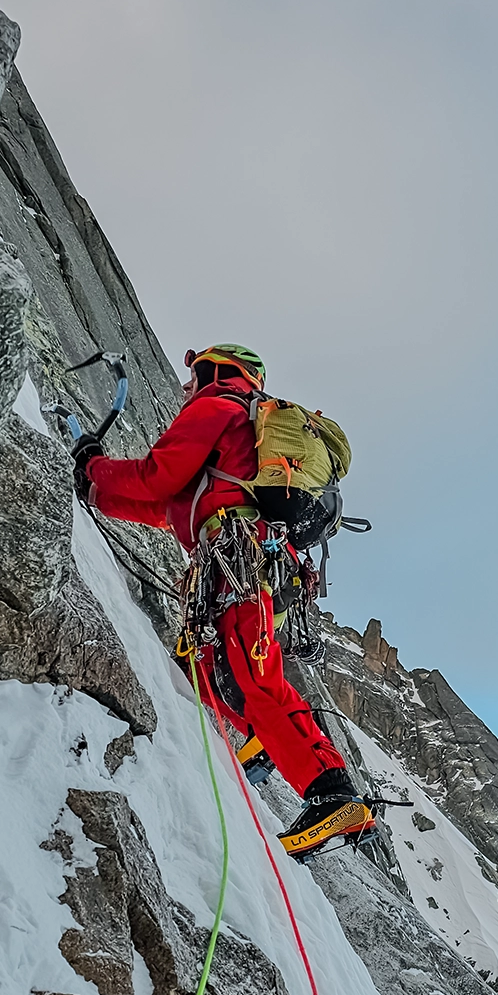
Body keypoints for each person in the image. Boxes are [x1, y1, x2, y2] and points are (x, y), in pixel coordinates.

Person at [74, 344, 373, 859]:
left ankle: (333, 794)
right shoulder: (231, 442)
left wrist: (94, 467)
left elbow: (157, 475)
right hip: (228, 562)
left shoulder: (218, 407)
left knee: (253, 680)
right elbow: (170, 508)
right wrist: (96, 493)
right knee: (221, 679)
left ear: (218, 371)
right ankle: (274, 743)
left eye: (193, 375)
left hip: (235, 560)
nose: (184, 386)